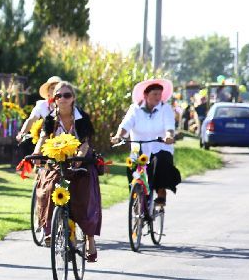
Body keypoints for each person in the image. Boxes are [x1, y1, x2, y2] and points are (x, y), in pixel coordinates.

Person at [33, 81, 102, 261]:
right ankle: (49, 228)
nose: (62, 99)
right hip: (58, 160)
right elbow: (42, 139)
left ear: (73, 98)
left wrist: (78, 159)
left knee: (85, 194)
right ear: (53, 99)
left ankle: (90, 239)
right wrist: (36, 154)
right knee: (47, 187)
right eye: (58, 96)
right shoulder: (50, 119)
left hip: (81, 161)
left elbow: (85, 143)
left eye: (67, 95)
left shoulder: (82, 118)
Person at [111, 78, 181, 208]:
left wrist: (169, 136)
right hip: (139, 149)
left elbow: (169, 127)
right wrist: (118, 136)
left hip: (160, 147)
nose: (158, 97)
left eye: (160, 94)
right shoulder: (135, 109)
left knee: (162, 160)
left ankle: (161, 192)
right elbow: (125, 125)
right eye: (155, 94)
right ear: (146, 95)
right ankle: (136, 195)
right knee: (131, 166)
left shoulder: (165, 109)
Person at [16, 75, 63, 149]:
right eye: (52, 88)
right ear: (48, 91)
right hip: (46, 140)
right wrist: (22, 133)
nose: (55, 91)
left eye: (58, 88)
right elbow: (31, 119)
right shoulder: (42, 105)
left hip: (65, 140)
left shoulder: (67, 103)